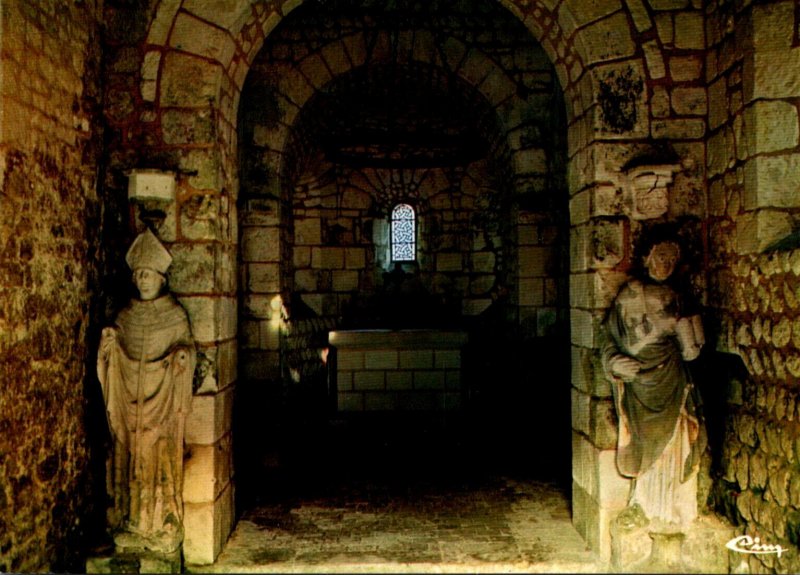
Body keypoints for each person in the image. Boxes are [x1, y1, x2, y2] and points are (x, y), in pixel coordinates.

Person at [97, 228, 195, 553]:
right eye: (139, 275)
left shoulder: (175, 316)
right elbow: (116, 361)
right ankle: (132, 523)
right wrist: (109, 349)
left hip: (162, 408)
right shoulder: (126, 316)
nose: (143, 281)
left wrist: (182, 357)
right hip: (131, 406)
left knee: (160, 461)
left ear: (161, 278)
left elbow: (187, 353)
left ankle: (163, 520)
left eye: (148, 275)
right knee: (128, 458)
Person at [601, 233, 706, 528]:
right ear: (646, 257)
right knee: (646, 442)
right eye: (661, 257)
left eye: (672, 259)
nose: (666, 264)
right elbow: (607, 339)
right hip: (641, 385)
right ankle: (645, 504)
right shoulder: (629, 294)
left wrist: (690, 342)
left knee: (677, 439)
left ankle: (675, 504)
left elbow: (694, 350)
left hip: (673, 378)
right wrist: (614, 362)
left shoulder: (680, 297)